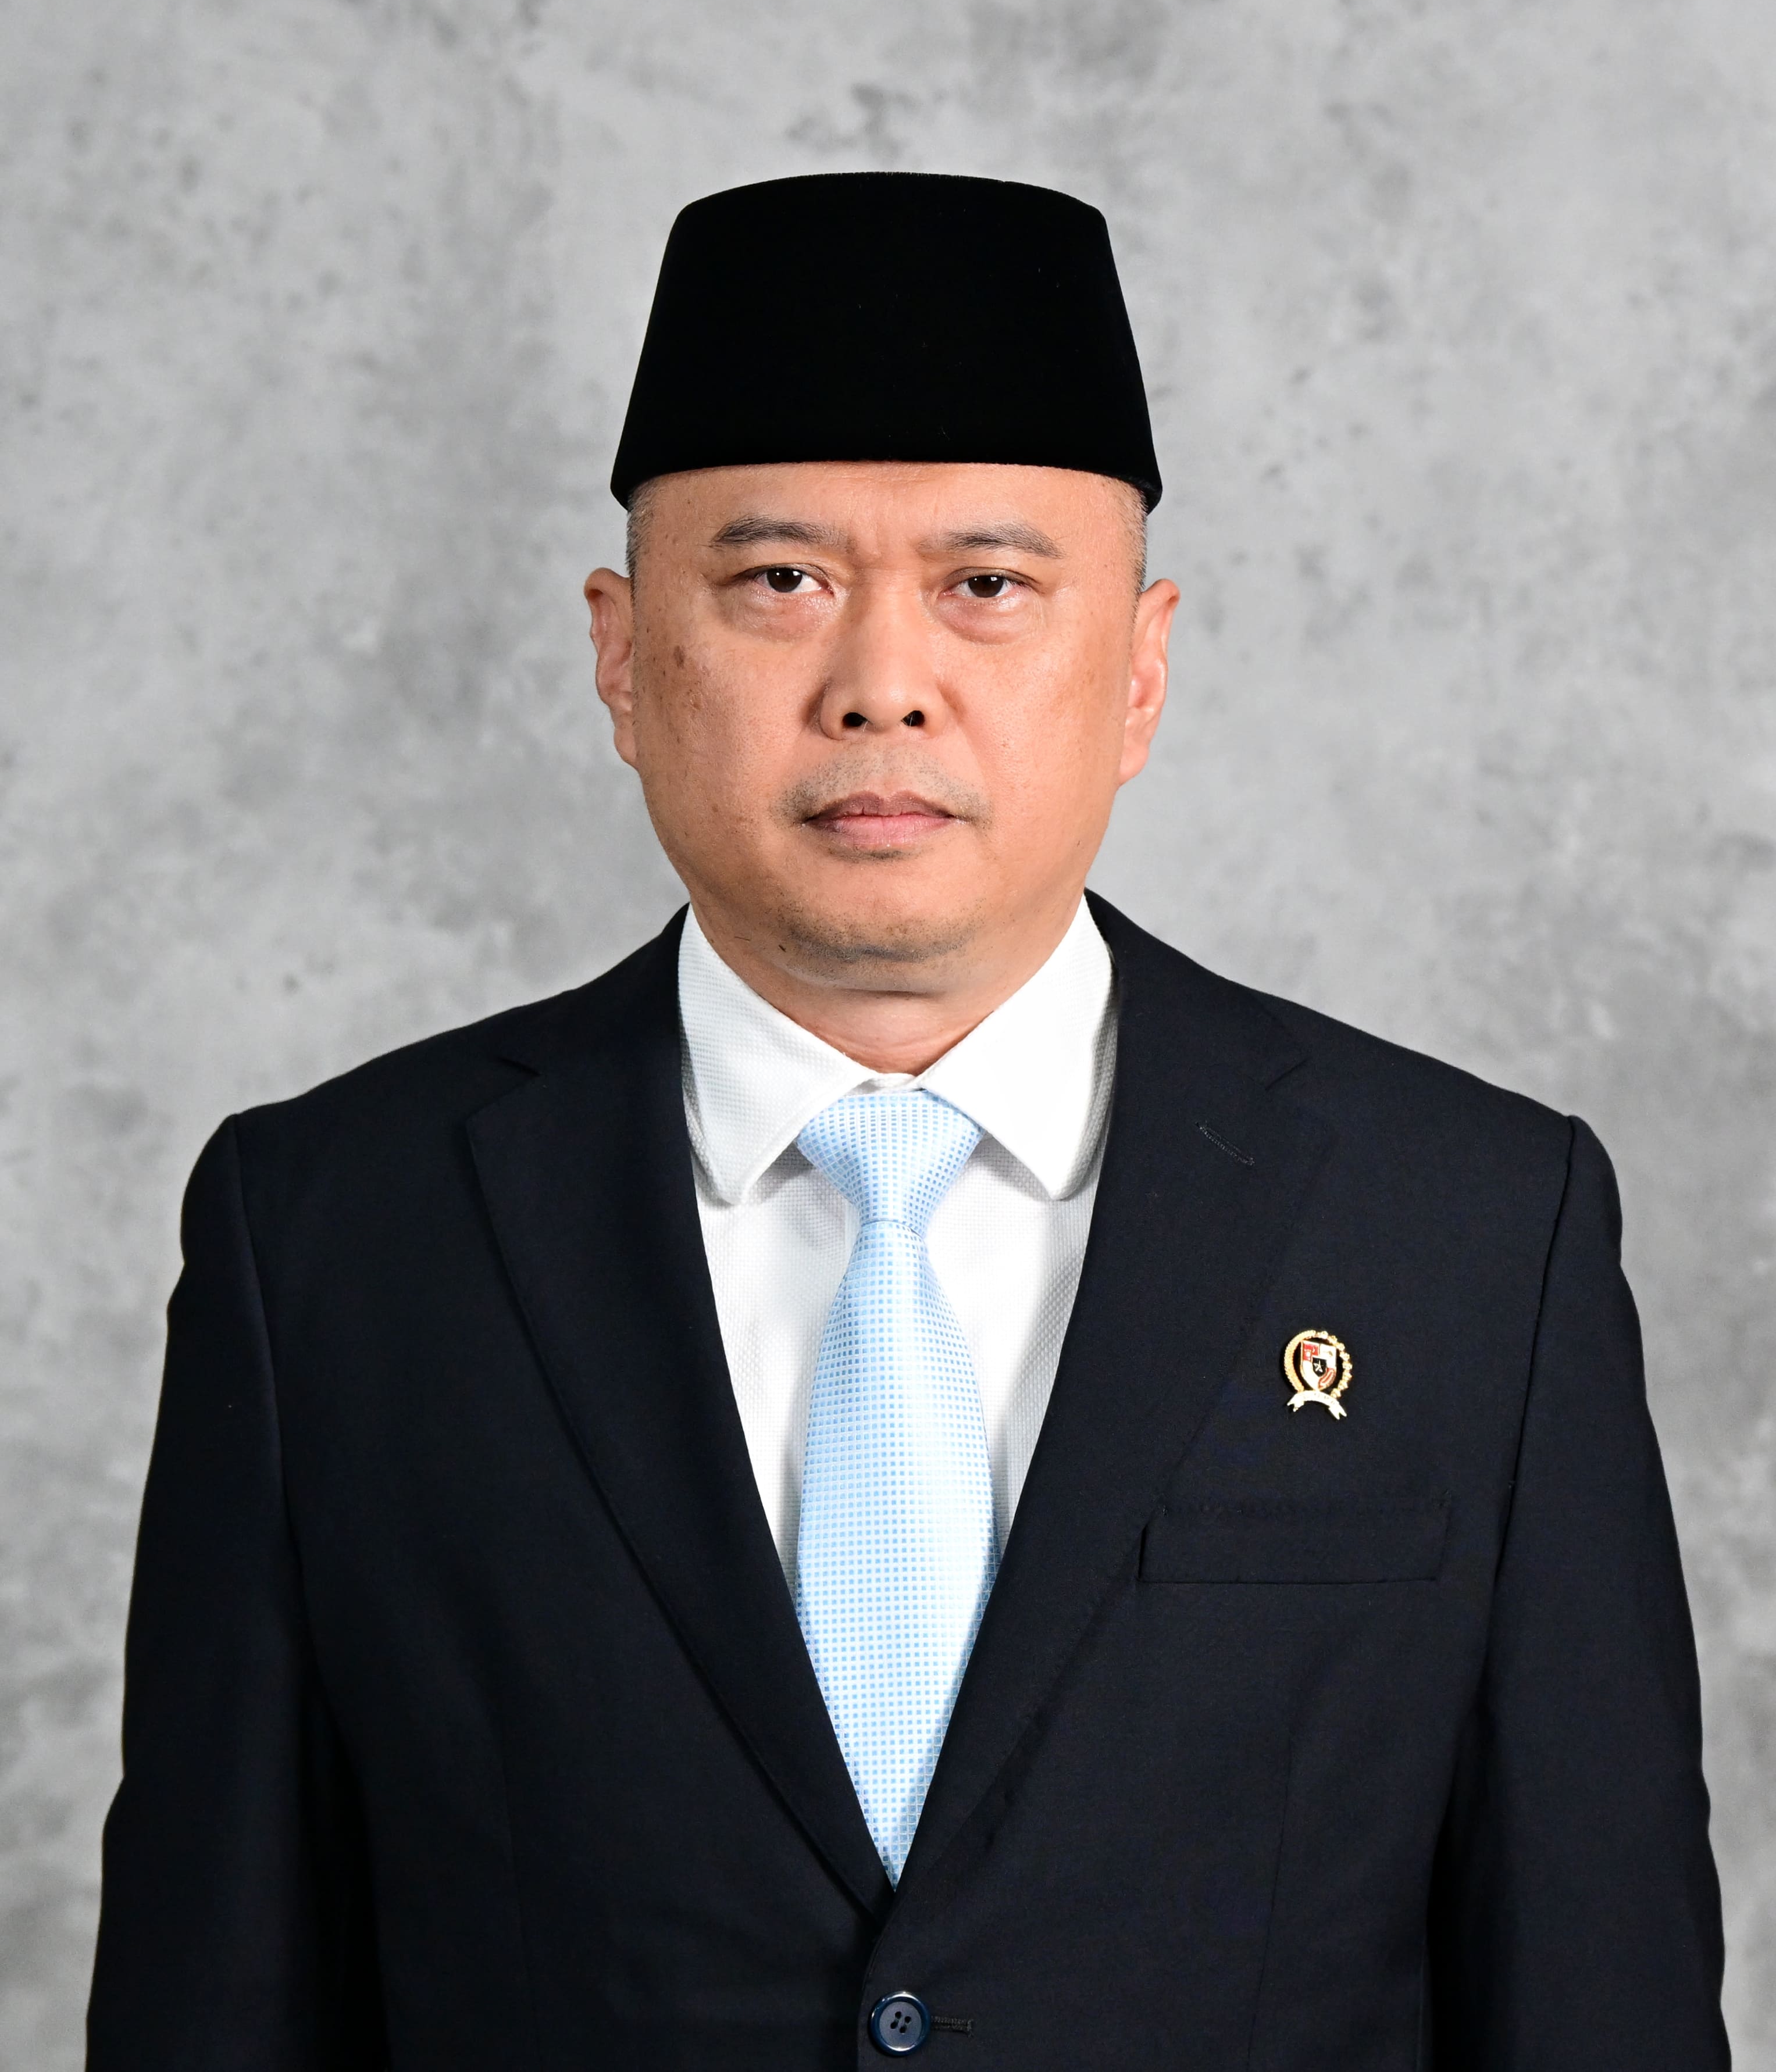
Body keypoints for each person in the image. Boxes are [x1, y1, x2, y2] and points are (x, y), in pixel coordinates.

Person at [88, 172, 1728, 2070]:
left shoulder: (1472, 1236)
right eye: (778, 582)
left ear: (1140, 667)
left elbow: (1598, 2003)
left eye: (989, 587)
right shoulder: (329, 1242)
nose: (881, 688)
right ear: (620, 655)